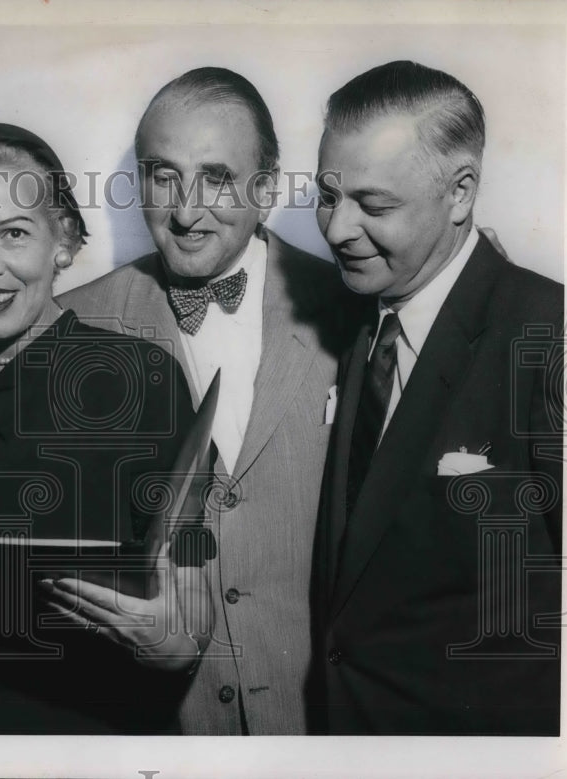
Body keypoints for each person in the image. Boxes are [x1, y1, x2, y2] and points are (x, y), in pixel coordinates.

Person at [58, 67, 358, 735]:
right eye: (163, 176)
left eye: (217, 177)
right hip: (154, 730)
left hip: (320, 729)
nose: (186, 211)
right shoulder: (71, 329)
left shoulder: (355, 312)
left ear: (268, 188)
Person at [0, 123, 216, 734]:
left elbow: (192, 572)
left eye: (14, 233)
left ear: (64, 243)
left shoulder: (141, 378)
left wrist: (175, 640)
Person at [309, 60, 563, 735]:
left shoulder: (552, 333)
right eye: (326, 195)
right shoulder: (355, 317)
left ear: (460, 193)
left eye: (374, 204)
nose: (335, 229)